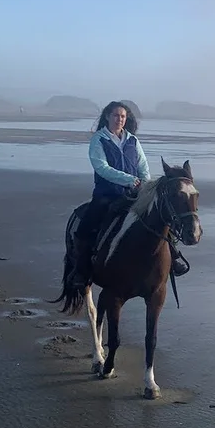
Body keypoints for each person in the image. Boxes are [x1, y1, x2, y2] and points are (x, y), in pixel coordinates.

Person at [70, 101, 150, 291]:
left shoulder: (133, 140)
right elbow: (102, 168)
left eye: (122, 116)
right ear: (107, 116)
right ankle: (82, 272)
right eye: (116, 115)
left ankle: (173, 258)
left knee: (158, 219)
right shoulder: (98, 140)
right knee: (85, 229)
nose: (119, 119)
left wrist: (145, 185)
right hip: (107, 194)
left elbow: (143, 166)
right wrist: (129, 180)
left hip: (133, 195)